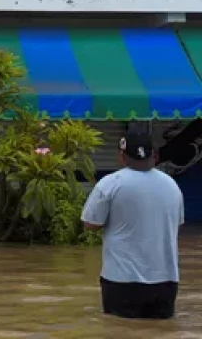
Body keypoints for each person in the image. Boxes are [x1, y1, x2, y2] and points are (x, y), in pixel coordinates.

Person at [82, 130, 184, 319]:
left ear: (122, 156)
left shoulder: (110, 184)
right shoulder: (172, 186)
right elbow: (176, 225)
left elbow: (91, 224)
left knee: (120, 331)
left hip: (122, 282)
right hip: (166, 283)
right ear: (154, 155)